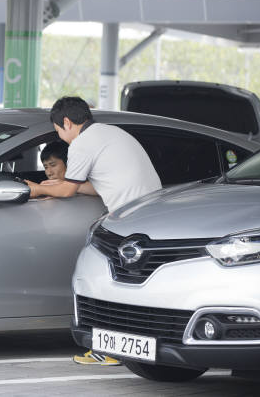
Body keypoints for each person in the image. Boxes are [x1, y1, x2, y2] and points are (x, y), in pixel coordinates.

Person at [26, 96, 162, 366]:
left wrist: (36, 189)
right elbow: (88, 186)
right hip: (150, 215)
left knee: (110, 284)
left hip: (129, 223)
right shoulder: (110, 133)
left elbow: (67, 189)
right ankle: (126, 347)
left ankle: (111, 349)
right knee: (132, 288)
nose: (60, 137)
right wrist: (49, 186)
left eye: (57, 131)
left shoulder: (81, 144)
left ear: (66, 122)